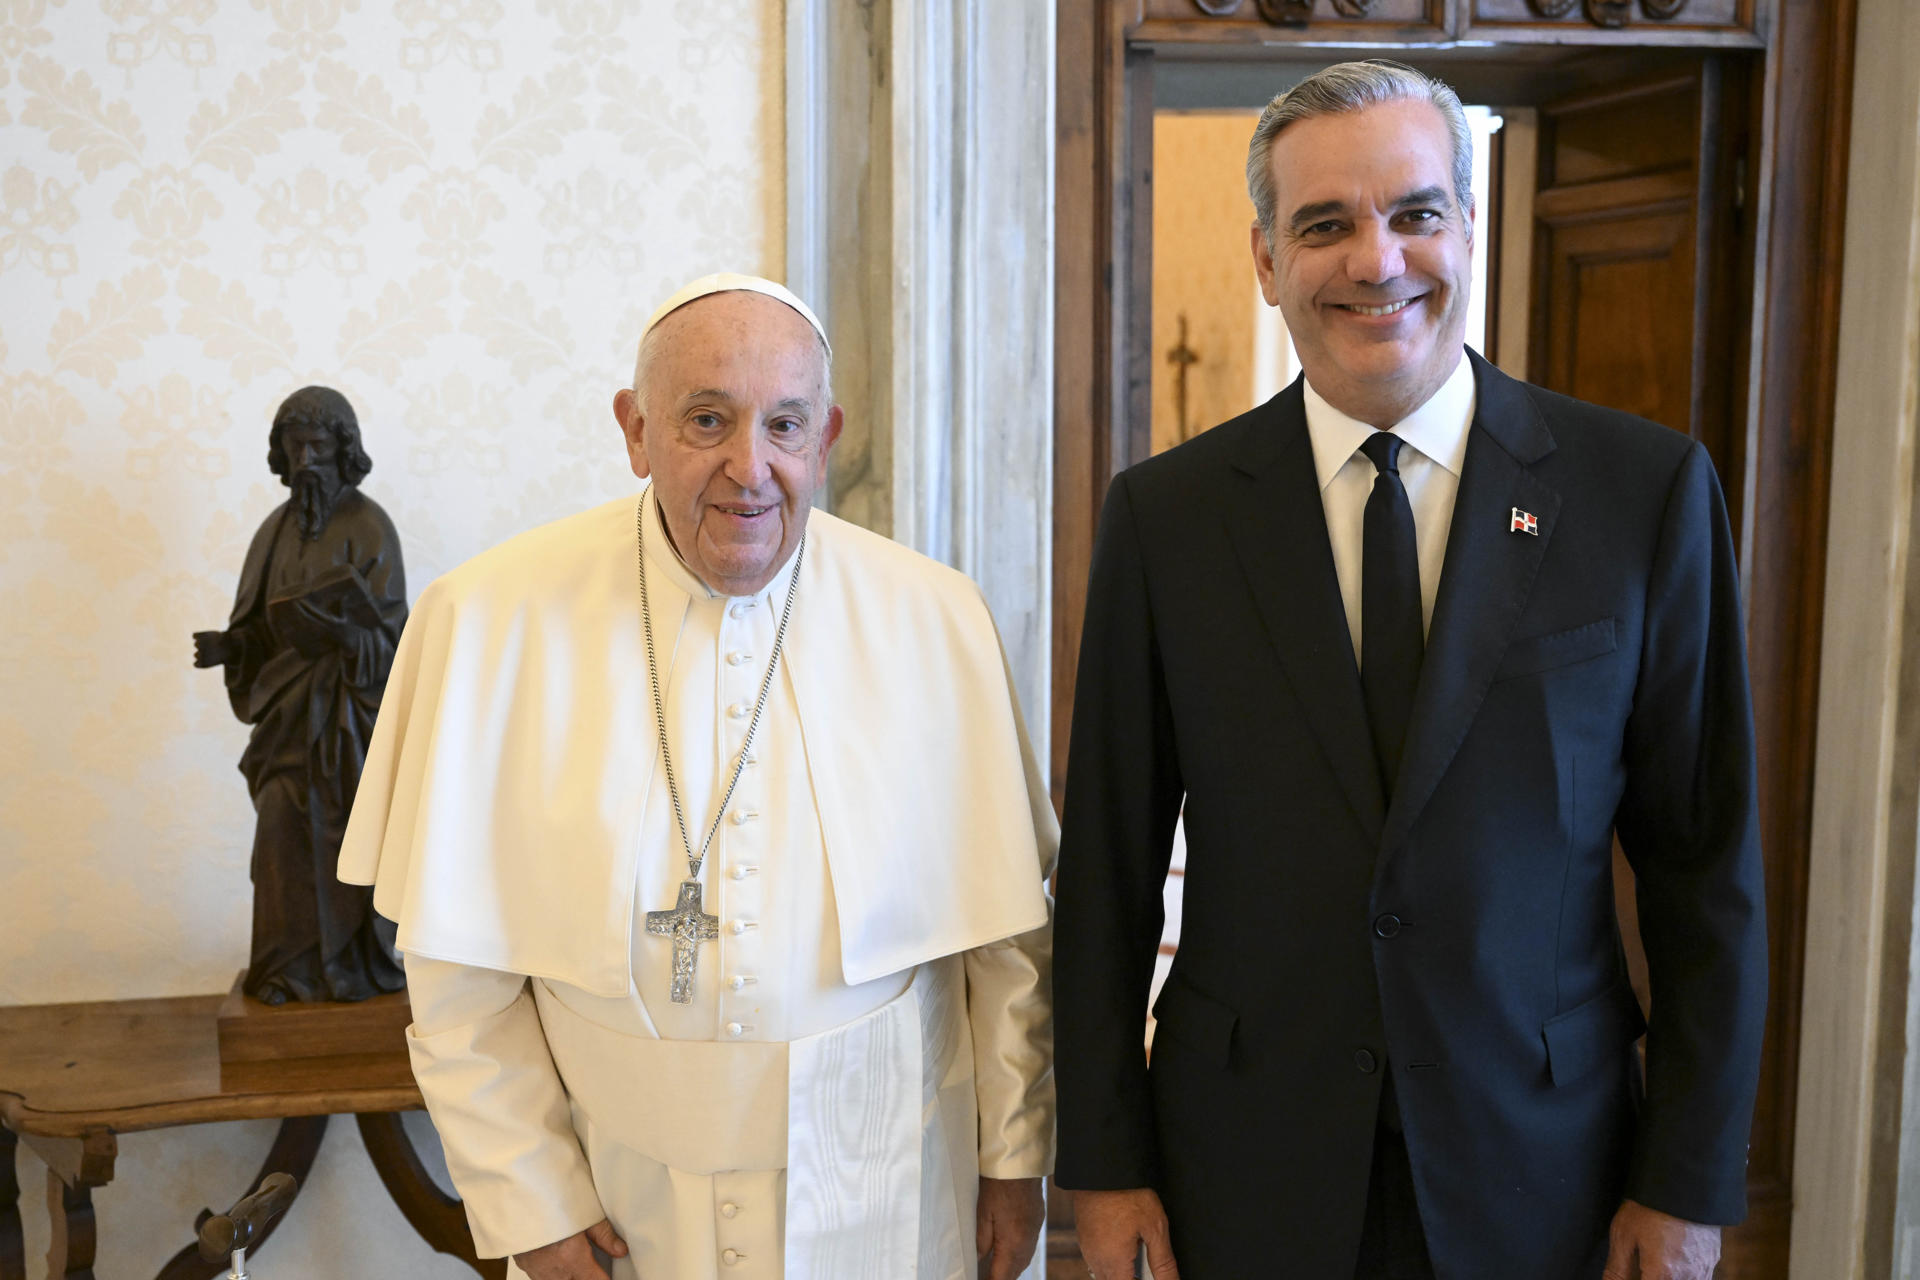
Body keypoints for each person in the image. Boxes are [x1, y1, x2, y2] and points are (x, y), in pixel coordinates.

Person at [1051, 60, 1765, 1280]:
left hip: (1545, 1165)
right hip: (1246, 1164)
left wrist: (1689, 1180)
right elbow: (1110, 871)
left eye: (1416, 213)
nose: (1376, 261)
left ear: (1468, 230)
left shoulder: (1640, 494)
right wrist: (1106, 1167)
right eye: (1324, 224)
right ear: (1268, 262)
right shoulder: (1165, 517)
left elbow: (1707, 869)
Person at [339, 273, 1057, 1280]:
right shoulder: (488, 621)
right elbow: (460, 976)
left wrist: (1014, 1158)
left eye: (784, 424)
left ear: (828, 436)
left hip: (893, 1187)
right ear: (635, 431)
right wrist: (528, 1198)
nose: (748, 467)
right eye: (706, 419)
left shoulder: (936, 620)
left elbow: (1007, 943)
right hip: (619, 1194)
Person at [194, 385, 408, 1005]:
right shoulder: (273, 532)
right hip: (286, 727)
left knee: (348, 844)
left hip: (347, 729)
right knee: (283, 839)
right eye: (295, 448)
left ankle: (358, 967)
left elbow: (393, 643)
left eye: (318, 446)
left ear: (343, 451)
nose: (306, 460)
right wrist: (230, 647)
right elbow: (261, 627)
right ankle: (289, 970)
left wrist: (342, 637)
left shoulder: (369, 527)